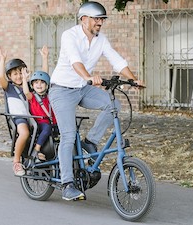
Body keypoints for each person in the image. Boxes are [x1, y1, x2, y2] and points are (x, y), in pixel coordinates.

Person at [49, 1, 144, 201]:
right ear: (84, 19)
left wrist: (133, 79)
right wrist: (88, 77)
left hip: (82, 88)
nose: (100, 23)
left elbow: (117, 61)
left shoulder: (101, 39)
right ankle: (67, 184)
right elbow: (76, 61)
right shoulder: (70, 35)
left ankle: (90, 141)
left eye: (102, 19)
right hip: (62, 90)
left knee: (113, 105)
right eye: (96, 19)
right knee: (68, 135)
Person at [0, 46, 49, 176]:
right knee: (24, 133)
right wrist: (2, 59)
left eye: (21, 72)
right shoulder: (9, 88)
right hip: (19, 117)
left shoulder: (30, 86)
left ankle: (39, 153)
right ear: (9, 76)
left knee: (49, 128)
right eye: (15, 74)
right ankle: (16, 162)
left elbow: (43, 77)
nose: (19, 76)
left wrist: (44, 58)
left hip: (33, 117)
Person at [22, 69, 57, 163]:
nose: (39, 85)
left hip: (51, 122)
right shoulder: (32, 97)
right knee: (47, 128)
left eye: (42, 82)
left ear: (47, 85)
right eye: (36, 82)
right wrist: (24, 79)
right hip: (39, 123)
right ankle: (36, 150)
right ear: (32, 85)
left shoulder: (49, 96)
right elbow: (26, 92)